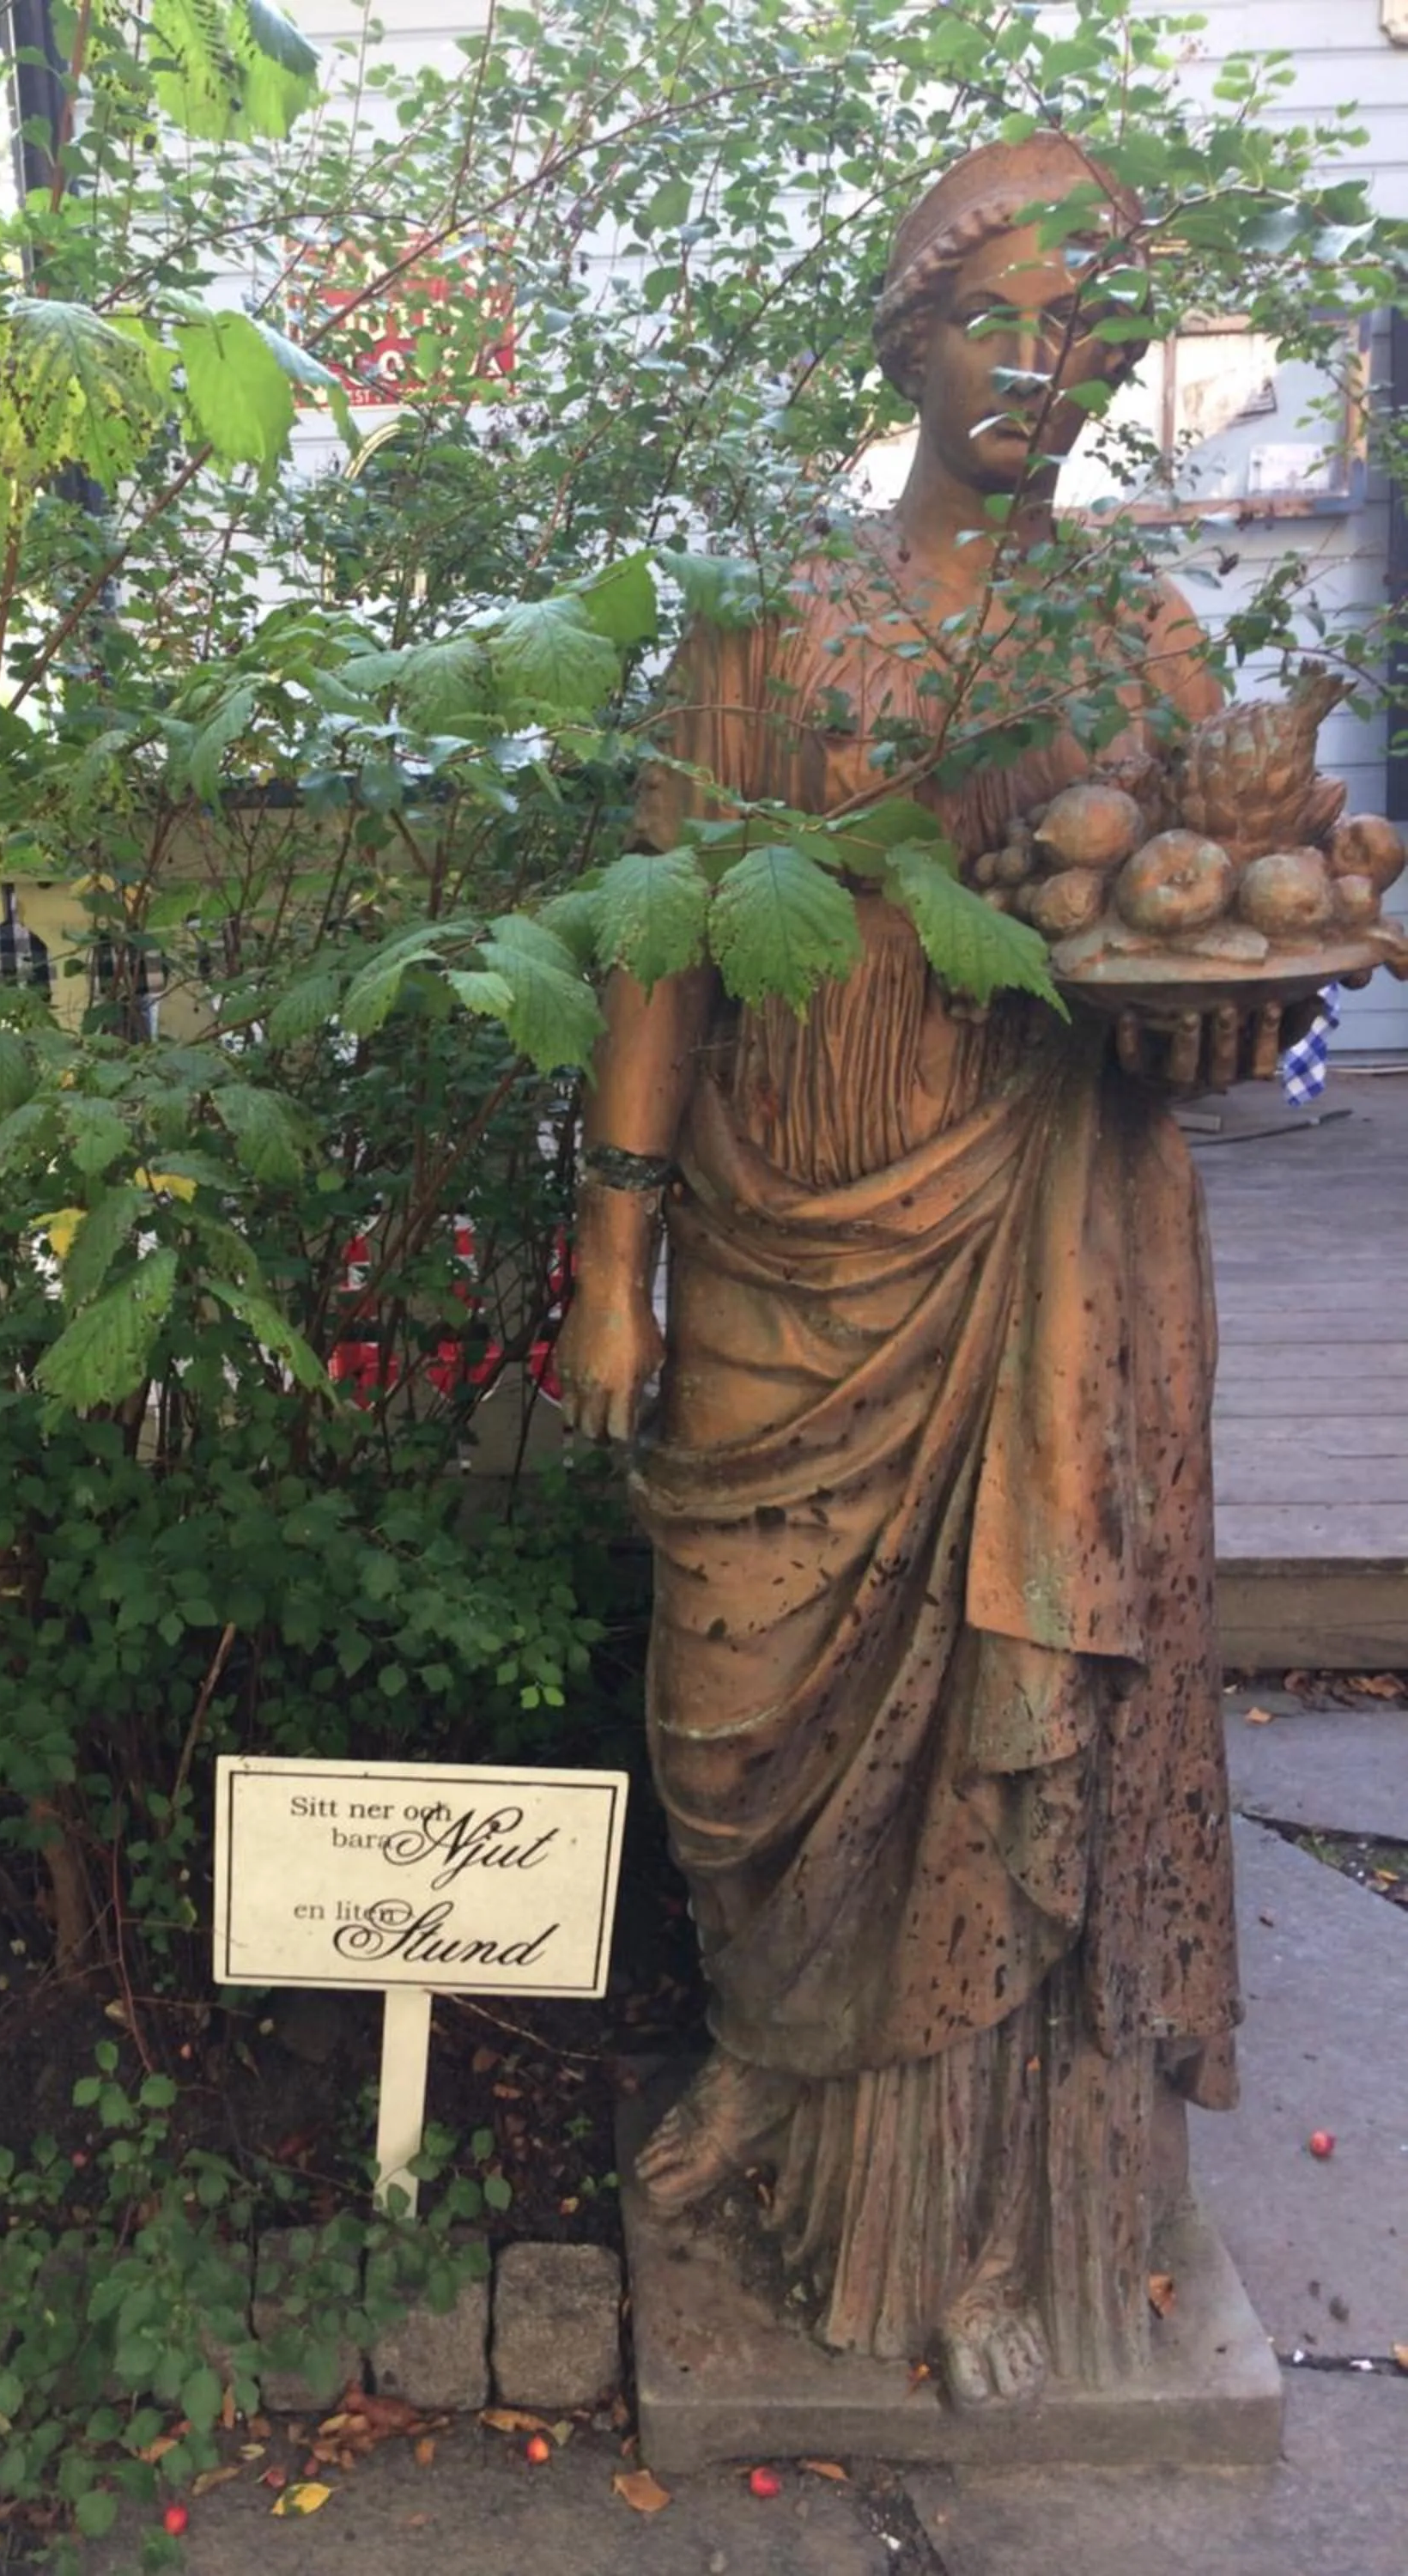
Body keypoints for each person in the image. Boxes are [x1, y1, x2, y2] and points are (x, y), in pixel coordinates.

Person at [557, 134, 1245, 2414]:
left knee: (1001, 1717)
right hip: (779, 1228)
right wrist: (617, 1242)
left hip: (1042, 1243)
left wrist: (1233, 1004)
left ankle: (993, 2208)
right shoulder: (773, 610)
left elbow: (1201, 959)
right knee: (733, 1697)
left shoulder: (1137, 634)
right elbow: (664, 951)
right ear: (908, 337)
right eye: (992, 319)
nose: (1034, 368)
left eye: (1078, 333)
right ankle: (770, 2051)